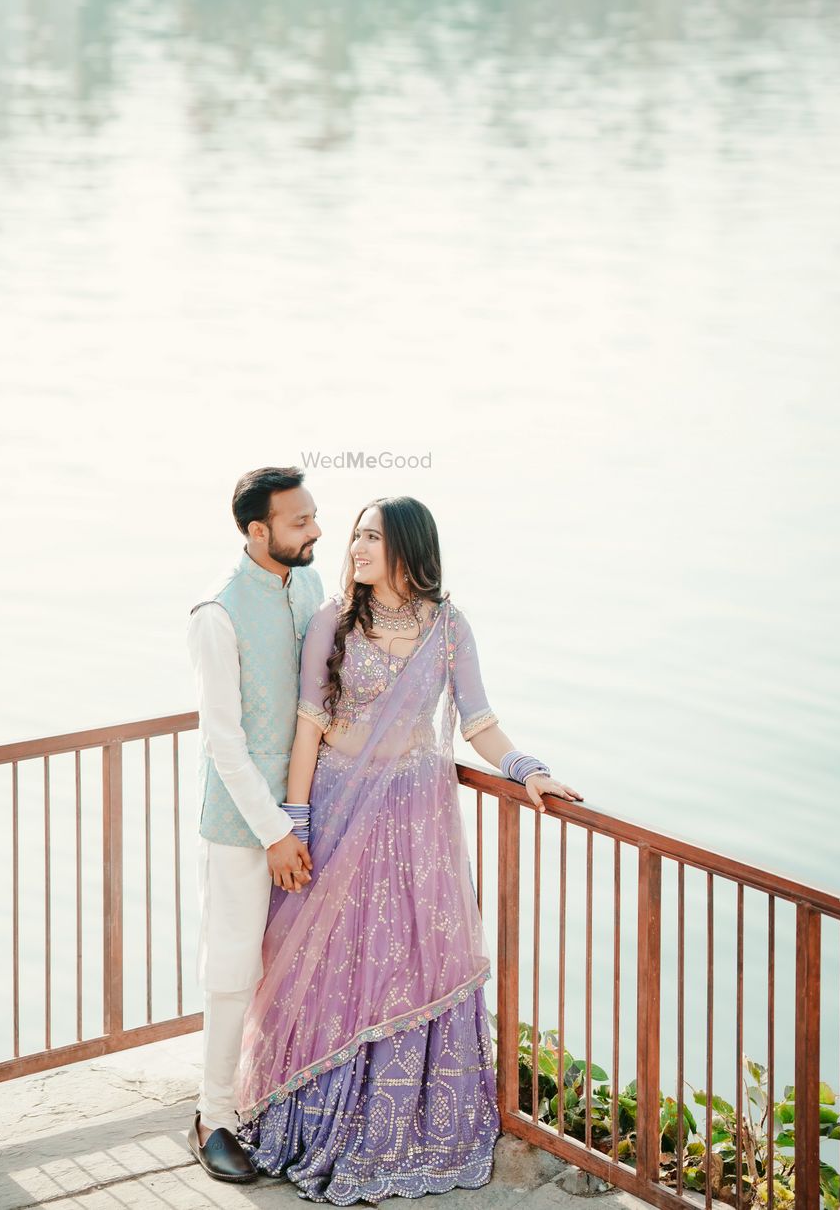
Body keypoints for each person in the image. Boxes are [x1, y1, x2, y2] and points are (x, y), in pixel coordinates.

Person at [236, 495, 582, 1203]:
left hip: (419, 819)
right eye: (356, 534)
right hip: (339, 808)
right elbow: (309, 725)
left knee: (416, 955)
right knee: (337, 956)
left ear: (407, 550)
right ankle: (317, 1113)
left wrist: (526, 770)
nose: (355, 546)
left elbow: (479, 720)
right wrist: (294, 825)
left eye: (371, 536)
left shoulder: (448, 627)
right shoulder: (334, 621)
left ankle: (407, 1122)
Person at [185, 466, 324, 1183]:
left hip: (314, 810)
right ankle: (212, 1116)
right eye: (300, 522)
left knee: (298, 963)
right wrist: (274, 832)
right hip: (245, 826)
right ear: (257, 531)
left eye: (313, 517)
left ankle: (276, 1096)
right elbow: (223, 741)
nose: (316, 531)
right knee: (233, 969)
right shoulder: (218, 611)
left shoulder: (309, 582)